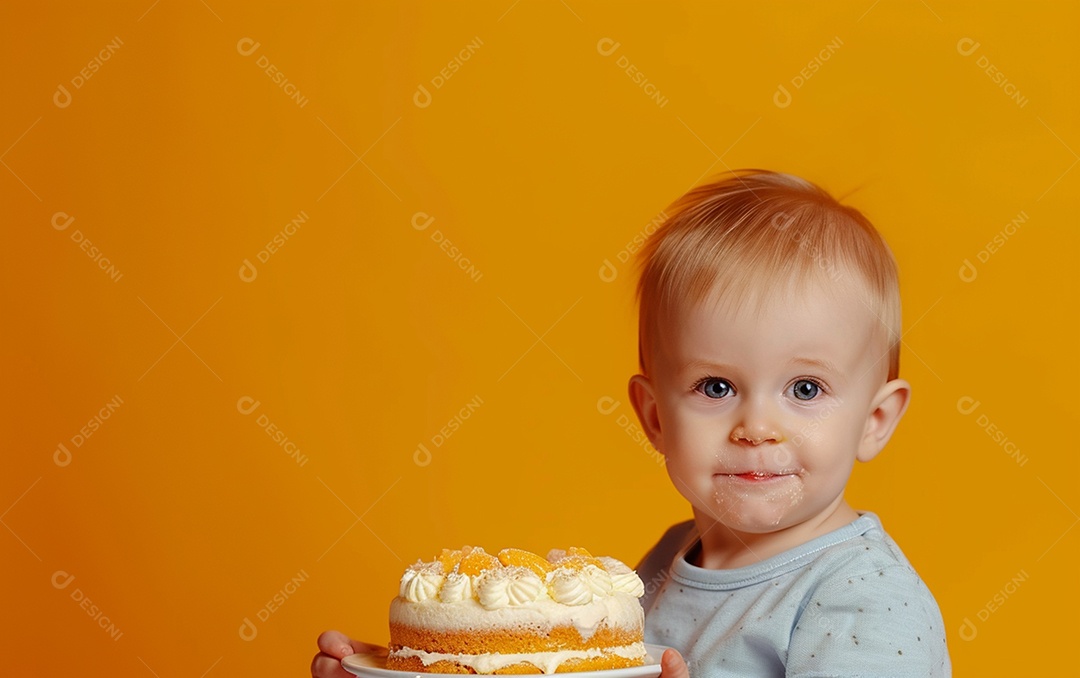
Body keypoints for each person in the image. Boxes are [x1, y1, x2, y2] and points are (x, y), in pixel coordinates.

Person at [311, 170, 951, 677]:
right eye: (716, 386)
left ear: (874, 420)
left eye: (805, 388)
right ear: (653, 417)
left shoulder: (863, 598)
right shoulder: (662, 566)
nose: (757, 426)